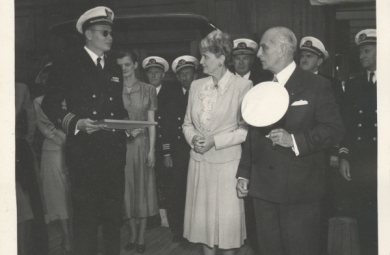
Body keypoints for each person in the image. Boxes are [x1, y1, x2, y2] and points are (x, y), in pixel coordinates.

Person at [236, 27, 345, 255]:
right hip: (263, 189)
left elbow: (334, 129)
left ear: (283, 49)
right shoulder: (261, 86)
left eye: (264, 47)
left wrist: (294, 140)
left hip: (299, 191)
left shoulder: (316, 85)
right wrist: (244, 172)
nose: (259, 54)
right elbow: (253, 135)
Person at [41, 7, 127, 255]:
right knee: (86, 220)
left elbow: (117, 108)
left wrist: (129, 125)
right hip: (84, 155)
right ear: (88, 34)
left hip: (113, 153)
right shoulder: (67, 62)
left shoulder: (113, 66)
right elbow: (50, 104)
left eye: (111, 33)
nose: (110, 37)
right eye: (104, 32)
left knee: (113, 219)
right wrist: (75, 123)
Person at [183, 30, 252, 255]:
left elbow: (244, 131)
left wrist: (215, 141)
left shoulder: (243, 86)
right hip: (200, 164)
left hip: (227, 165)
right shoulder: (196, 86)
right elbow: (186, 124)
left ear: (221, 59)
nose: (201, 61)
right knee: (204, 228)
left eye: (206, 57)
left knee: (227, 230)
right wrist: (194, 138)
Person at [299, 36, 344, 254]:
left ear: (320, 60)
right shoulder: (293, 82)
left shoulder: (331, 84)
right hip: (299, 152)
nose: (304, 59)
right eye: (302, 56)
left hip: (324, 153)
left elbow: (339, 122)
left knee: (321, 206)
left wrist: (336, 150)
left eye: (309, 56)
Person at [116, 49, 159, 253]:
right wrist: (124, 131)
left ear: (135, 65)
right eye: (120, 65)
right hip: (121, 147)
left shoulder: (148, 89)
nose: (123, 69)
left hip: (142, 146)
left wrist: (152, 150)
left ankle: (141, 236)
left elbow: (151, 123)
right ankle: (132, 233)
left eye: (127, 64)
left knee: (142, 191)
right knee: (126, 192)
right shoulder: (114, 90)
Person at [338, 29, 377, 255]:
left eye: (367, 50)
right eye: (360, 51)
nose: (362, 55)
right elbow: (348, 125)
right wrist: (344, 155)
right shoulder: (353, 85)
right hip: (362, 162)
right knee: (364, 216)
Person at [162, 55, 198, 243]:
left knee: (197, 192)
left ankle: (197, 231)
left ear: (194, 73)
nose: (185, 77)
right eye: (181, 74)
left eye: (188, 73)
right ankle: (179, 231)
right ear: (177, 77)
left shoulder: (202, 93)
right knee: (177, 192)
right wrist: (166, 152)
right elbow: (166, 126)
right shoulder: (170, 95)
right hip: (177, 151)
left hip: (198, 149)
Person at [142, 56, 181, 228]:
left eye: (156, 72)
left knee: (166, 182)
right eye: (150, 73)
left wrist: (167, 151)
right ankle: (151, 217)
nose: (153, 75)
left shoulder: (171, 94)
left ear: (163, 74)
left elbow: (169, 124)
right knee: (149, 182)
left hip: (164, 145)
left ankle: (166, 218)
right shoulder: (142, 92)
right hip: (146, 145)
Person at [33, 92, 73, 253]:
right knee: (58, 197)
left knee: (73, 196)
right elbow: (47, 128)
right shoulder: (39, 101)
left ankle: (75, 235)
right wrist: (70, 142)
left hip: (77, 151)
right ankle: (67, 237)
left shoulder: (73, 94)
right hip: (54, 150)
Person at [231, 38, 261, 253]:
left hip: (254, 147)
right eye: (237, 58)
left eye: (245, 58)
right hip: (230, 148)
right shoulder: (225, 82)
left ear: (252, 60)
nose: (241, 62)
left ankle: (253, 241)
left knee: (253, 198)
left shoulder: (263, 82)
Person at [15, 82, 48, 255]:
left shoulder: (20, 89)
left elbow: (30, 119)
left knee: (30, 203)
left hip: (19, 151)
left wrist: (21, 143)